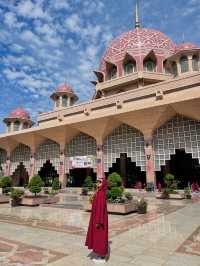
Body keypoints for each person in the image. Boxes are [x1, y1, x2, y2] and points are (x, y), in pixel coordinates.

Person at [85, 177, 108, 263]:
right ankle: (99, 254)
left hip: (99, 220)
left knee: (100, 237)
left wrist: (99, 221)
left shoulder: (101, 194)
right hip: (96, 218)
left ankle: (102, 257)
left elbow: (101, 208)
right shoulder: (98, 192)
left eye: (100, 182)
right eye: (97, 181)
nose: (98, 183)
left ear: (104, 184)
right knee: (97, 237)